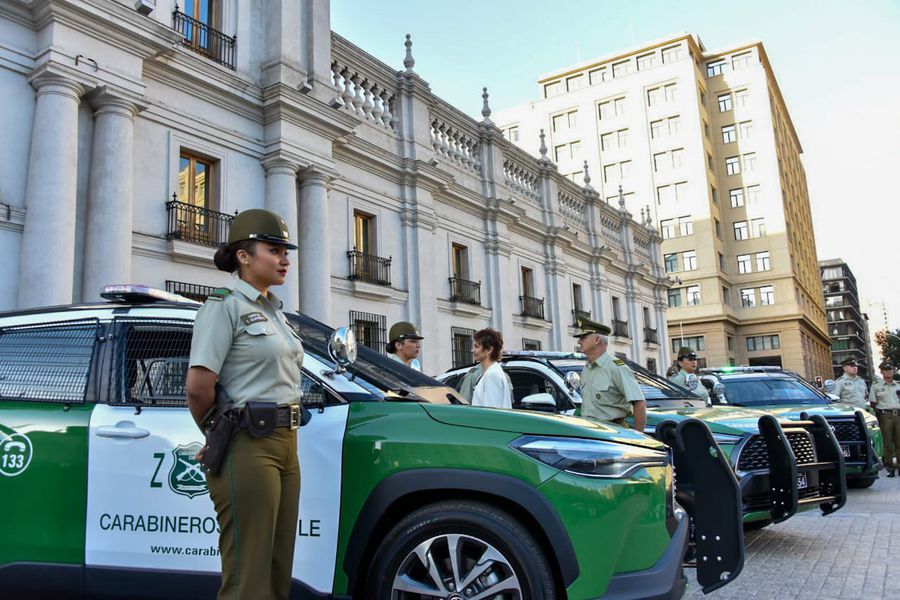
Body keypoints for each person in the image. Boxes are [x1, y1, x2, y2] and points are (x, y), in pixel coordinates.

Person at [185, 209, 303, 600]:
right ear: (243, 256)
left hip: (287, 443)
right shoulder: (224, 306)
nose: (284, 258)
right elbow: (199, 388)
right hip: (247, 443)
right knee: (247, 575)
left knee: (277, 566)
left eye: (286, 250)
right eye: (274, 249)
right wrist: (218, 433)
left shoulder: (275, 312)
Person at [573, 317, 646, 432]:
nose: (579, 342)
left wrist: (639, 439)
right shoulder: (586, 369)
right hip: (590, 433)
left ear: (597, 340)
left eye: (583, 337)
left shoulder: (616, 367)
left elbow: (639, 403)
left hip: (613, 434)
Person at [868, 360, 900, 478]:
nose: (888, 372)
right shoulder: (876, 386)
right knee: (887, 442)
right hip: (885, 416)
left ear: (893, 370)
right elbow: (873, 403)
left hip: (899, 415)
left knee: (899, 442)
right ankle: (890, 467)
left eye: (890, 369)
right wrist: (878, 417)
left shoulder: (898, 385)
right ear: (881, 372)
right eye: (886, 370)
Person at [470, 328, 513, 408]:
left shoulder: (492, 374)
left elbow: (491, 412)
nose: (472, 350)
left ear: (489, 349)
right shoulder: (492, 372)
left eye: (476, 346)